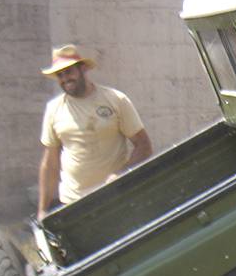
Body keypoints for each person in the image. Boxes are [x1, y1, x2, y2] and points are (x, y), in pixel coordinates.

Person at [37, 44, 153, 219]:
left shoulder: (115, 100)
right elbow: (50, 163)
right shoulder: (54, 109)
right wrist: (43, 210)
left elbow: (144, 146)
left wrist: (120, 175)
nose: (65, 78)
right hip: (73, 203)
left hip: (115, 198)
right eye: (60, 75)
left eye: (68, 72)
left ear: (82, 68)